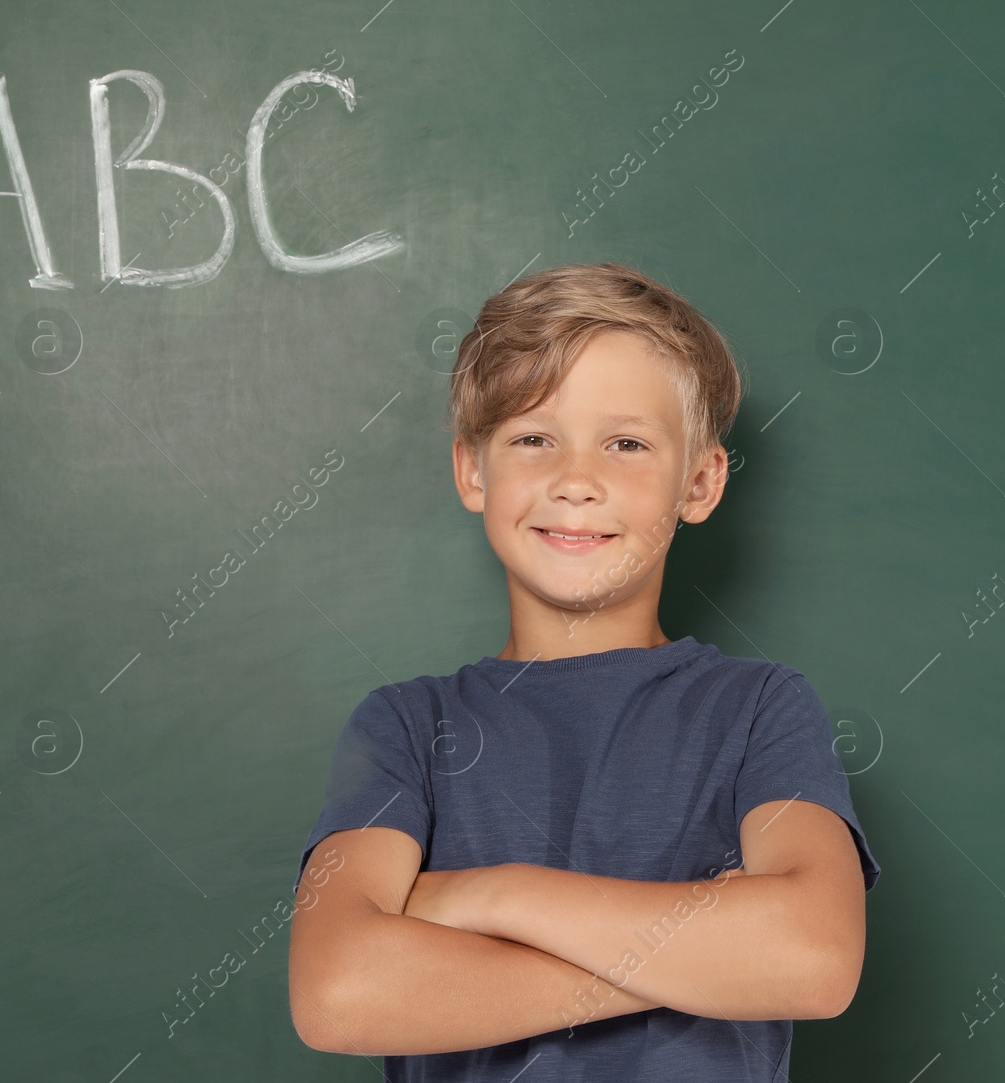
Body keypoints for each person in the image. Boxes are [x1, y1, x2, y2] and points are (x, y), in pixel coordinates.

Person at [287, 261, 880, 1079]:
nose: (575, 481)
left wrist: (484, 896)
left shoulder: (760, 710)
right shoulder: (406, 728)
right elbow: (340, 992)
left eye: (627, 443)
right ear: (472, 469)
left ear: (700, 481)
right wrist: (698, 957)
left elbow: (810, 957)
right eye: (533, 438)